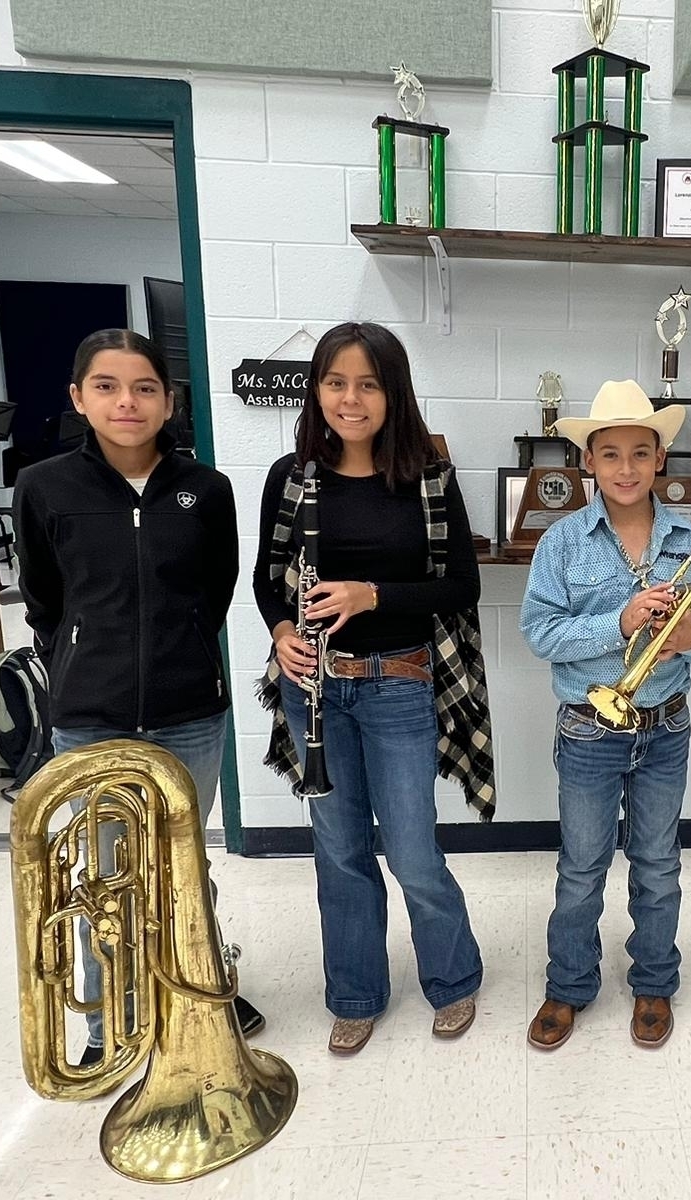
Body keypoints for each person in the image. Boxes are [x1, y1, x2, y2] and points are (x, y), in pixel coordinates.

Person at [14, 328, 261, 1065]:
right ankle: (108, 1028)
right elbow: (43, 598)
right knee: (105, 881)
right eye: (108, 387)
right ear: (78, 398)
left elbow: (214, 591)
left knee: (184, 867)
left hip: (191, 713)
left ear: (168, 400)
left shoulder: (206, 489)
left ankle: (201, 993)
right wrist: (81, 656)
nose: (127, 402)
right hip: (92, 718)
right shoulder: (44, 486)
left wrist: (184, 649)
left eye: (145, 388)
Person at [253, 321, 494, 1056]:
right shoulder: (290, 476)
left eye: (368, 384)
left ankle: (452, 978)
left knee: (413, 851)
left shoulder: (430, 477)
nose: (350, 399)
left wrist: (371, 595)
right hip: (314, 686)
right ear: (316, 391)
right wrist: (280, 631)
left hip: (399, 682)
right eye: (335, 383)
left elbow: (461, 586)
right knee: (340, 852)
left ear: (394, 394)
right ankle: (356, 994)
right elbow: (267, 579)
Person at [520, 380, 691, 1050]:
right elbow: (541, 634)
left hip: (667, 724)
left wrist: (687, 635)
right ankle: (569, 984)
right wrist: (621, 621)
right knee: (582, 867)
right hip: (589, 727)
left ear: (661, 458)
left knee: (658, 863)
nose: (626, 468)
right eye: (610, 454)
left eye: (641, 453)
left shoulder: (687, 540)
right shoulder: (562, 542)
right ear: (589, 462)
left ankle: (654, 981)